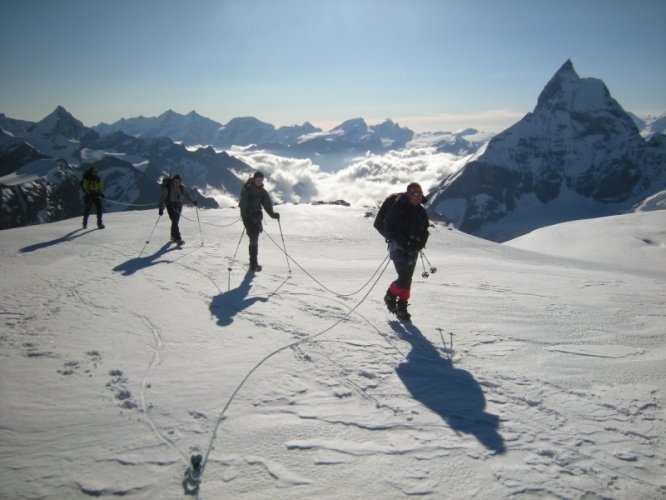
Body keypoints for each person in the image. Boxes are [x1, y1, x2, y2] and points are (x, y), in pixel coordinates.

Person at [383, 182, 430, 321]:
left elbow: (425, 230)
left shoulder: (421, 211)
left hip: (412, 249)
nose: (418, 196)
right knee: (403, 277)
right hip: (398, 248)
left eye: (420, 193)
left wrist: (420, 243)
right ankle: (390, 295)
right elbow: (388, 229)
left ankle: (402, 307)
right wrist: (406, 241)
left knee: (407, 279)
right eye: (415, 193)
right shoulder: (398, 208)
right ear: (408, 194)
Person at [239, 171, 280, 272]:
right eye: (258, 179)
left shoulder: (262, 191)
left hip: (256, 219)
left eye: (261, 180)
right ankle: (253, 264)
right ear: (254, 179)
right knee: (253, 239)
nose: (259, 181)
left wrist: (273, 214)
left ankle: (253, 264)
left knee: (254, 239)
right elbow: (243, 205)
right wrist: (245, 219)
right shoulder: (247, 190)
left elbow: (267, 204)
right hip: (249, 218)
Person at [158, 174, 197, 245]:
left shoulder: (181, 188)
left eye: (178, 182)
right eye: (175, 181)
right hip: (170, 207)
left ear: (180, 182)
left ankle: (173, 236)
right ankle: (178, 239)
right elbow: (162, 199)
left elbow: (187, 195)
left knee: (175, 222)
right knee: (175, 221)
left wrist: (192, 201)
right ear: (173, 181)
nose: (177, 183)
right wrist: (161, 208)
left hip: (178, 206)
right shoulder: (168, 188)